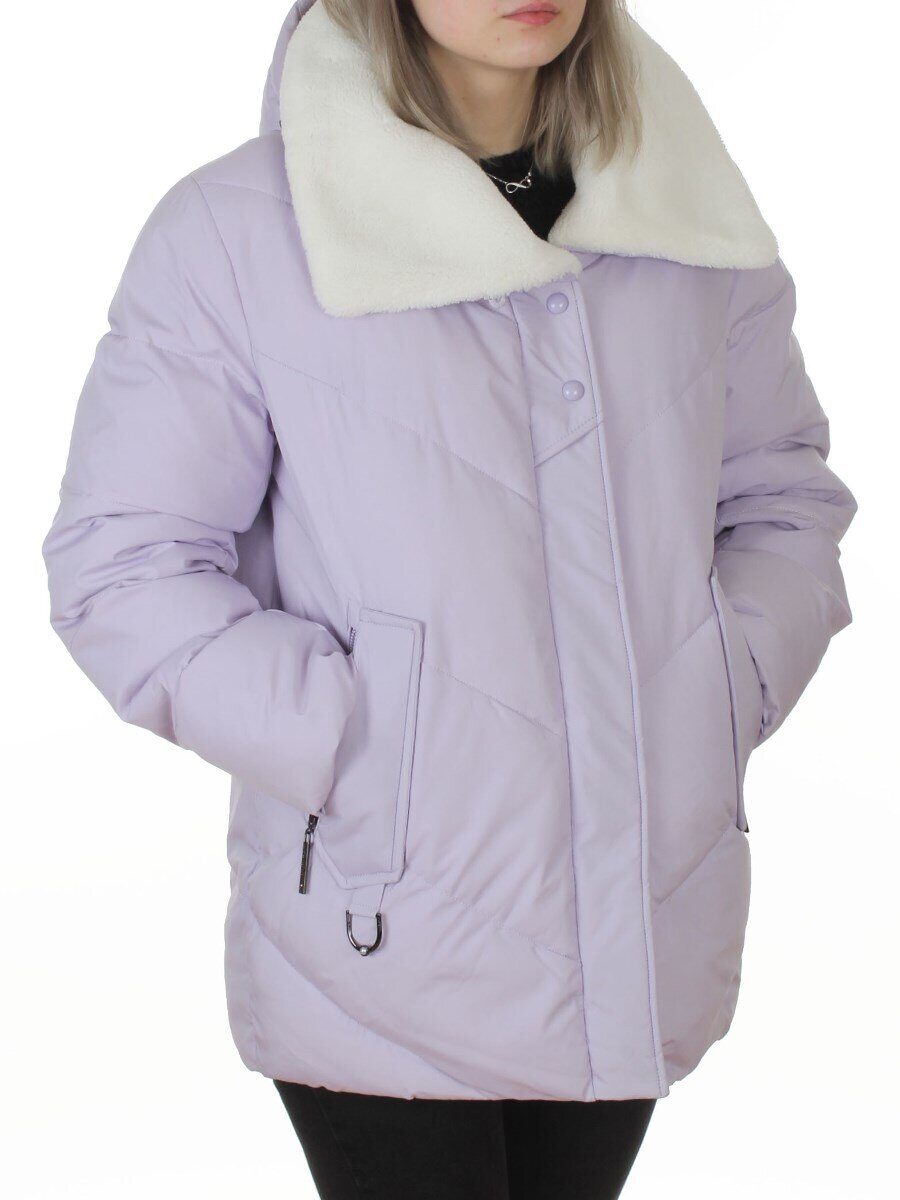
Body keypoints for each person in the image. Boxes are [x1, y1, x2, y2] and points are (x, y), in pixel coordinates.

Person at [42, 2, 856, 1197]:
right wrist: (361, 739)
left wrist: (710, 692)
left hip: (639, 909)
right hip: (384, 929)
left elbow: (782, 501)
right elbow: (124, 567)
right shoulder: (237, 232)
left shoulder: (684, 212)